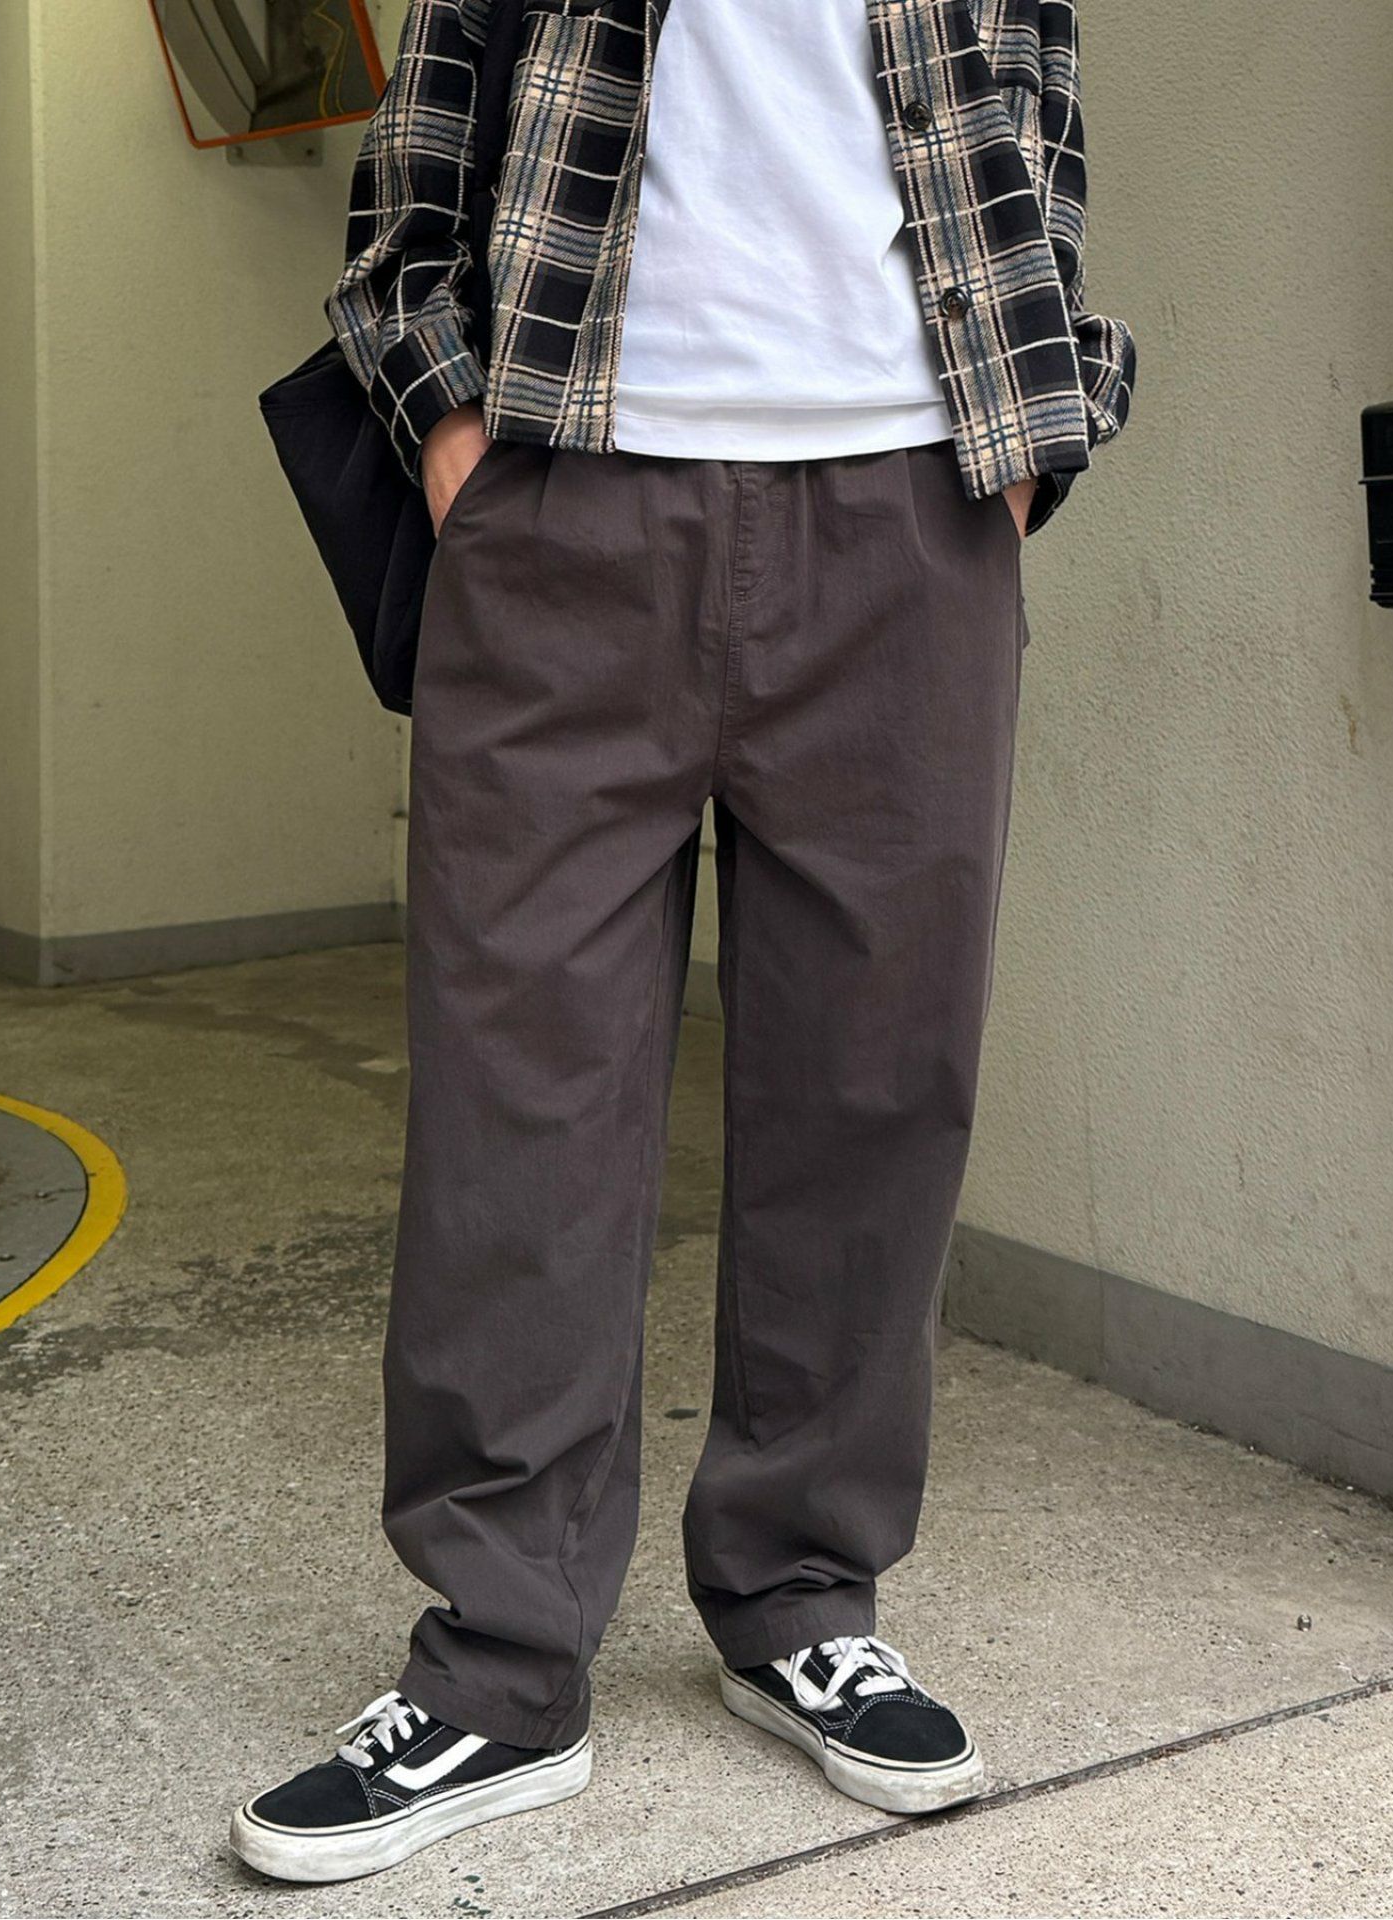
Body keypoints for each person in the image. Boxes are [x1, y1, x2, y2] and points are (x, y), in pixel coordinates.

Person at [231, 0, 1135, 1884]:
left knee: (879, 1078)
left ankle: (805, 1591)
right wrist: (455, 433)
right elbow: (425, 151)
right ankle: (502, 1659)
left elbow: (1034, 113)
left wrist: (1030, 433)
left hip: (913, 503)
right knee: (518, 1095)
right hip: (570, 491)